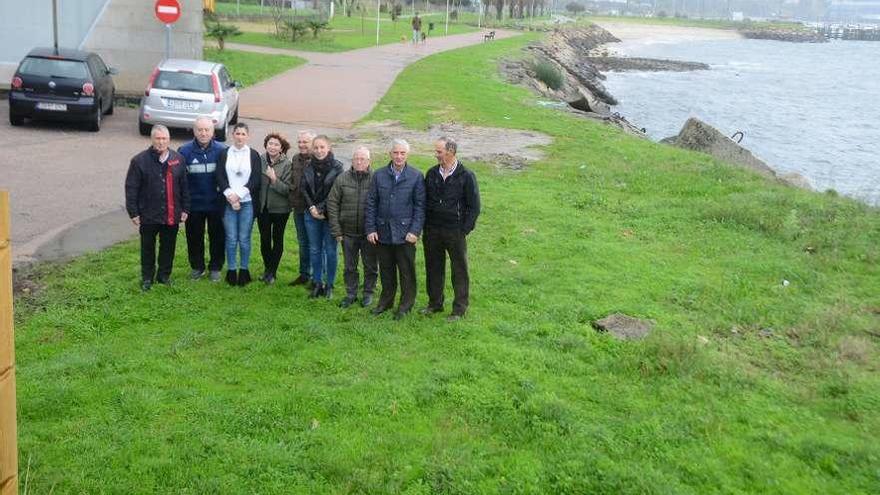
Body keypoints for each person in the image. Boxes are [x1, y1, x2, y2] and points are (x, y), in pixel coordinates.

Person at [420, 137, 481, 322]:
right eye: (436, 151)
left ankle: (459, 309)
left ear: (451, 152)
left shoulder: (466, 176)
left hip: (455, 231)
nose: (436, 154)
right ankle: (435, 304)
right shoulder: (431, 173)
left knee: (459, 270)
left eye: (439, 151)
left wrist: (464, 229)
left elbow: (474, 206)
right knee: (433, 268)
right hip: (432, 231)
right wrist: (425, 225)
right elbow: (423, 201)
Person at [124, 124, 190, 292]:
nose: (161, 142)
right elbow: (131, 188)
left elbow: (184, 187)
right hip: (148, 214)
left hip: (171, 213)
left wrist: (185, 209)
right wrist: (133, 212)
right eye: (158, 139)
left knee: (168, 247)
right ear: (152, 139)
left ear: (169, 140)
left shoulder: (178, 160)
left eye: (164, 139)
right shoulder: (139, 161)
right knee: (147, 247)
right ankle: (147, 277)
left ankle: (164, 276)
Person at [366, 139, 425, 320]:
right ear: (390, 154)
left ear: (407, 155)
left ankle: (405, 305)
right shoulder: (379, 175)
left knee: (406, 272)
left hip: (405, 235)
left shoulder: (416, 176)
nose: (399, 157)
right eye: (396, 153)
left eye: (402, 153)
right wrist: (370, 228)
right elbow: (371, 203)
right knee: (386, 270)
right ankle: (385, 302)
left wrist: (415, 231)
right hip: (383, 233)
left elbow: (420, 206)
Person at [327, 146, 378, 308]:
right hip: (347, 232)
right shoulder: (342, 179)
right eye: (356, 158)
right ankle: (351, 293)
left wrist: (376, 229)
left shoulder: (376, 179)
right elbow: (332, 203)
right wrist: (337, 230)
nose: (359, 161)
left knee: (370, 265)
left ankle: (368, 293)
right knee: (350, 266)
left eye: (363, 159)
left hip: (369, 233)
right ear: (352, 160)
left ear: (369, 161)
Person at [178, 116, 227, 282]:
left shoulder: (223, 150)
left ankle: (215, 268)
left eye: (207, 130)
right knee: (194, 237)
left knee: (218, 237)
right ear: (194, 131)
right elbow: (181, 181)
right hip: (194, 205)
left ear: (213, 131)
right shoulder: (183, 151)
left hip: (216, 204)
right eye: (200, 130)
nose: (203, 133)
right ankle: (197, 267)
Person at [215, 122, 262, 286]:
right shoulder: (224, 153)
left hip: (247, 202)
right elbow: (219, 176)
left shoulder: (254, 155)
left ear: (247, 136)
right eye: (237, 133)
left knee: (244, 238)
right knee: (231, 238)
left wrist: (239, 195)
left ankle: (244, 270)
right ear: (232, 135)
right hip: (228, 202)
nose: (240, 137)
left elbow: (256, 179)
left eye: (243, 134)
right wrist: (230, 195)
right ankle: (231, 270)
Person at [301, 135, 343, 298]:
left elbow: (336, 193)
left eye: (322, 147)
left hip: (330, 215)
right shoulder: (308, 166)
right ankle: (317, 283)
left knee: (331, 250)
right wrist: (312, 207)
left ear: (329, 148)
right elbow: (304, 188)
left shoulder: (338, 167)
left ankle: (329, 285)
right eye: (316, 147)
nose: (319, 151)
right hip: (311, 214)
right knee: (315, 249)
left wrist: (321, 209)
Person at [257, 132, 293, 284]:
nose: (272, 147)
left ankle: (272, 272)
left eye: (276, 144)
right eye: (270, 143)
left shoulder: (287, 165)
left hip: (280, 209)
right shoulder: (260, 159)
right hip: (263, 208)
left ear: (281, 148)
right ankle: (268, 270)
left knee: (277, 239)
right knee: (265, 240)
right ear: (266, 145)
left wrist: (274, 180)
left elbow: (288, 189)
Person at [288, 130, 315, 287]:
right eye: (300, 142)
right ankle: (304, 274)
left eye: (305, 142)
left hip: (312, 209)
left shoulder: (318, 159)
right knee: (303, 242)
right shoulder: (295, 159)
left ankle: (317, 276)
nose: (302, 145)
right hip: (298, 207)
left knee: (315, 244)